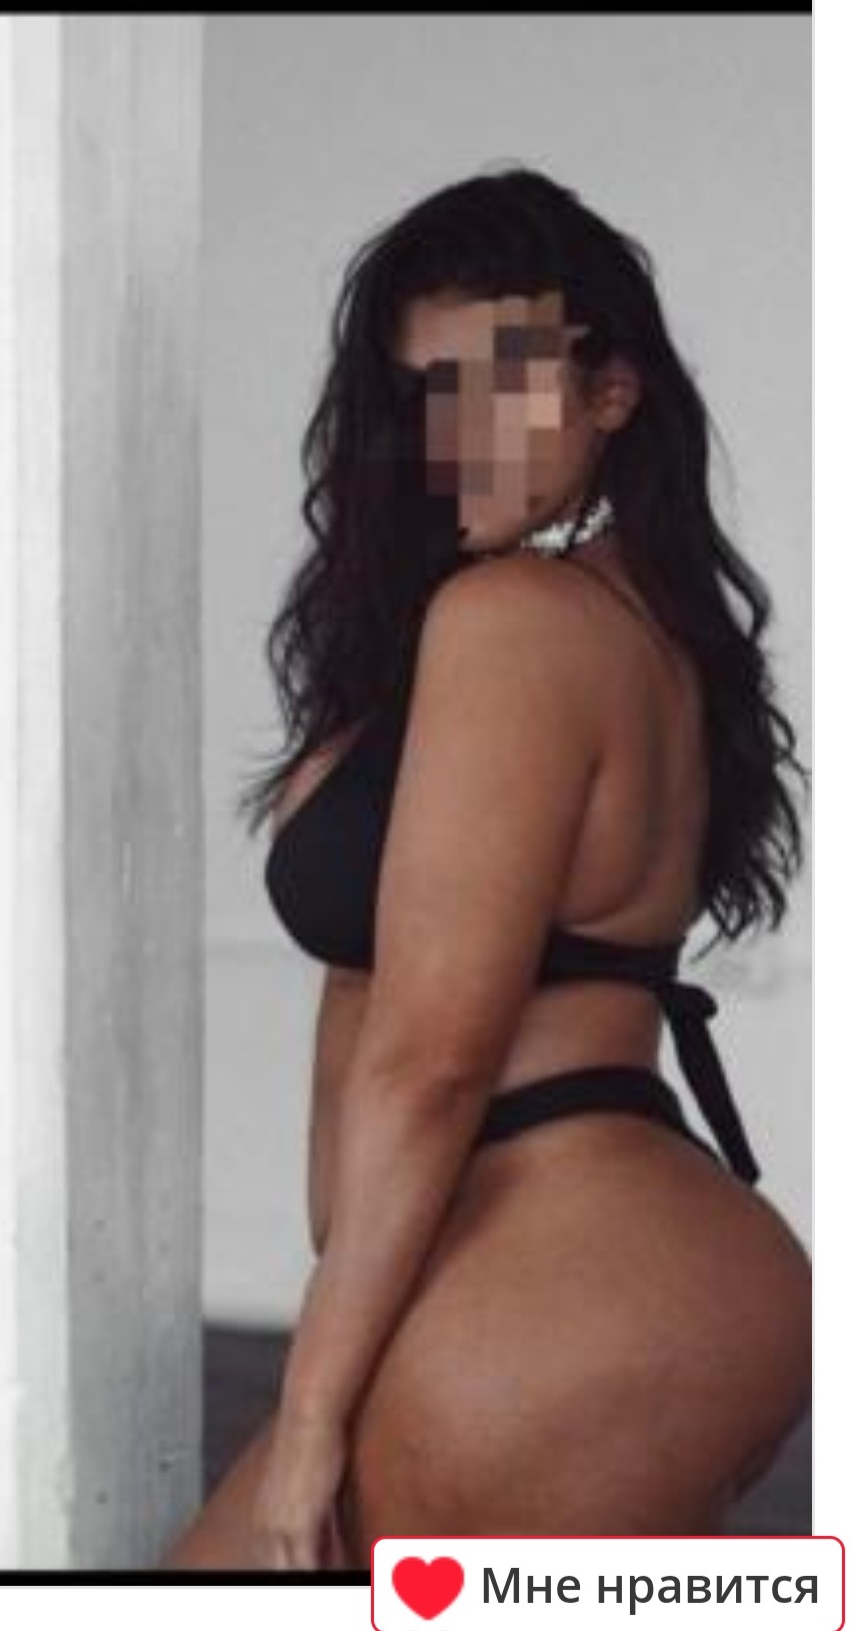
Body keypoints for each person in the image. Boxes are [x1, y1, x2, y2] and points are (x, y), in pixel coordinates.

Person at [159, 166, 811, 1570]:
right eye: (423, 393)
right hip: (615, 1275)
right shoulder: (634, 623)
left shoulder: (516, 621)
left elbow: (432, 1062)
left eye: (495, 384)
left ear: (611, 389)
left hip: (558, 1286)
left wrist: (312, 1412)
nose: (450, 433)